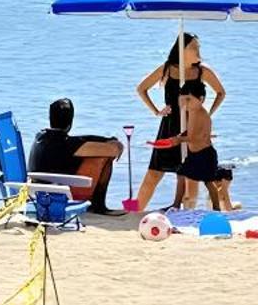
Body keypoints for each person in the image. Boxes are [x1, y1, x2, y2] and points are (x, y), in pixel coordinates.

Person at [133, 34, 225, 212]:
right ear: (182, 50)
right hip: (169, 126)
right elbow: (141, 88)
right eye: (194, 47)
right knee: (154, 173)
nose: (198, 51)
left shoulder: (202, 71)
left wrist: (206, 114)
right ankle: (135, 213)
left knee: (191, 175)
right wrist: (156, 111)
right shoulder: (167, 69)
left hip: (192, 127)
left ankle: (187, 213)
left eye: (199, 47)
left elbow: (221, 92)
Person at [29, 98, 125, 214]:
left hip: (36, 193)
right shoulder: (69, 145)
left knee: (93, 151)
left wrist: (106, 140)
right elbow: (113, 150)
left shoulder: (40, 136)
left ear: (50, 118)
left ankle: (97, 206)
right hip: (58, 193)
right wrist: (114, 143)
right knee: (102, 156)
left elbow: (81, 139)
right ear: (71, 122)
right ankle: (98, 206)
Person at [171, 80, 238, 212]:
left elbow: (196, 137)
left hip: (205, 154)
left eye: (189, 99)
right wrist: (181, 135)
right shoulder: (192, 111)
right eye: (184, 100)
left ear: (201, 99)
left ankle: (217, 208)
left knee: (209, 182)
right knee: (181, 175)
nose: (186, 103)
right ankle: (176, 205)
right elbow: (192, 132)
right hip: (194, 154)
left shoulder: (200, 114)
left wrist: (180, 140)